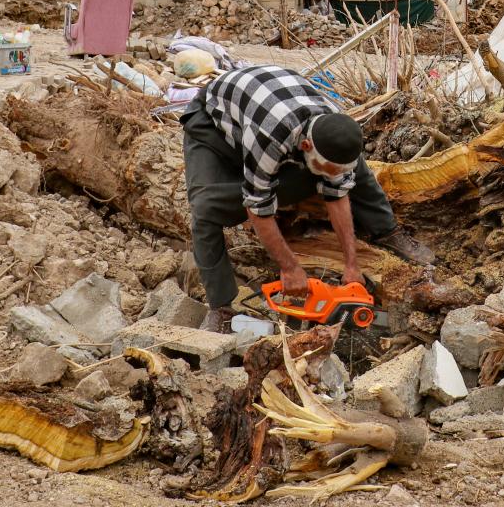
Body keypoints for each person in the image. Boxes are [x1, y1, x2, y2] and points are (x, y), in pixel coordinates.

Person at [181, 65, 436, 332]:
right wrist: (289, 267)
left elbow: (337, 194)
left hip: (269, 112)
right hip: (214, 125)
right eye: (327, 170)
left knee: (351, 166)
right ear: (305, 147)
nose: (333, 176)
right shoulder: (270, 136)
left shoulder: (332, 125)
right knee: (205, 209)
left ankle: (387, 230)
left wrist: (352, 266)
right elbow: (258, 206)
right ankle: (220, 307)